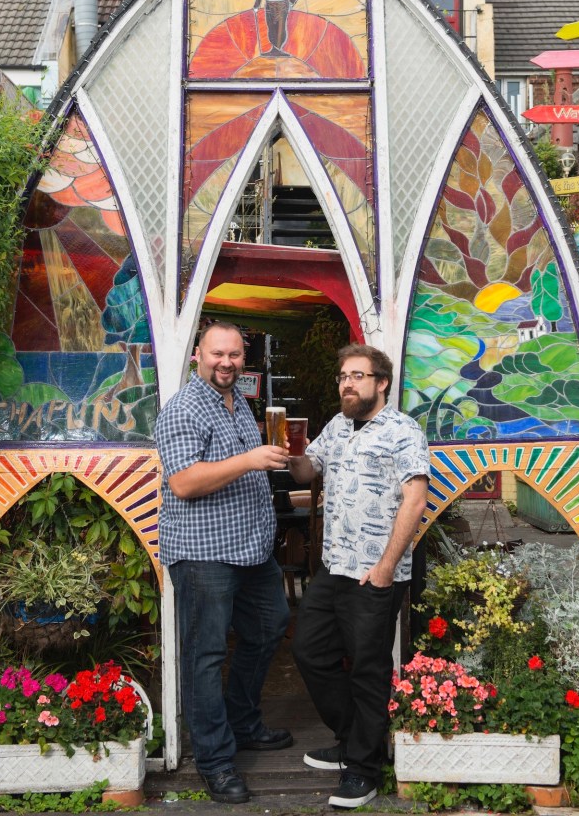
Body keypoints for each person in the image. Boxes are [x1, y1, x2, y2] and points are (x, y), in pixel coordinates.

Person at [155, 321, 293, 804]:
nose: (227, 363)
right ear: (198, 355)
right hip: (202, 553)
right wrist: (251, 460)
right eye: (218, 354)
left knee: (270, 626)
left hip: (249, 548)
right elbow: (185, 483)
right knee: (205, 655)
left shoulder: (238, 402)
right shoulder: (184, 409)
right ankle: (214, 760)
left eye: (235, 355)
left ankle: (243, 723)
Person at [289, 343, 429, 809]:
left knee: (368, 669)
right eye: (343, 376)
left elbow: (415, 498)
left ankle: (364, 771)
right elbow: (308, 468)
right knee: (308, 649)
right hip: (335, 567)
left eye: (357, 376)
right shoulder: (337, 426)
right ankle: (352, 741)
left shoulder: (402, 430)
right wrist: (288, 451)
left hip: (376, 571)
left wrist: (388, 566)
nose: (347, 383)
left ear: (381, 382)